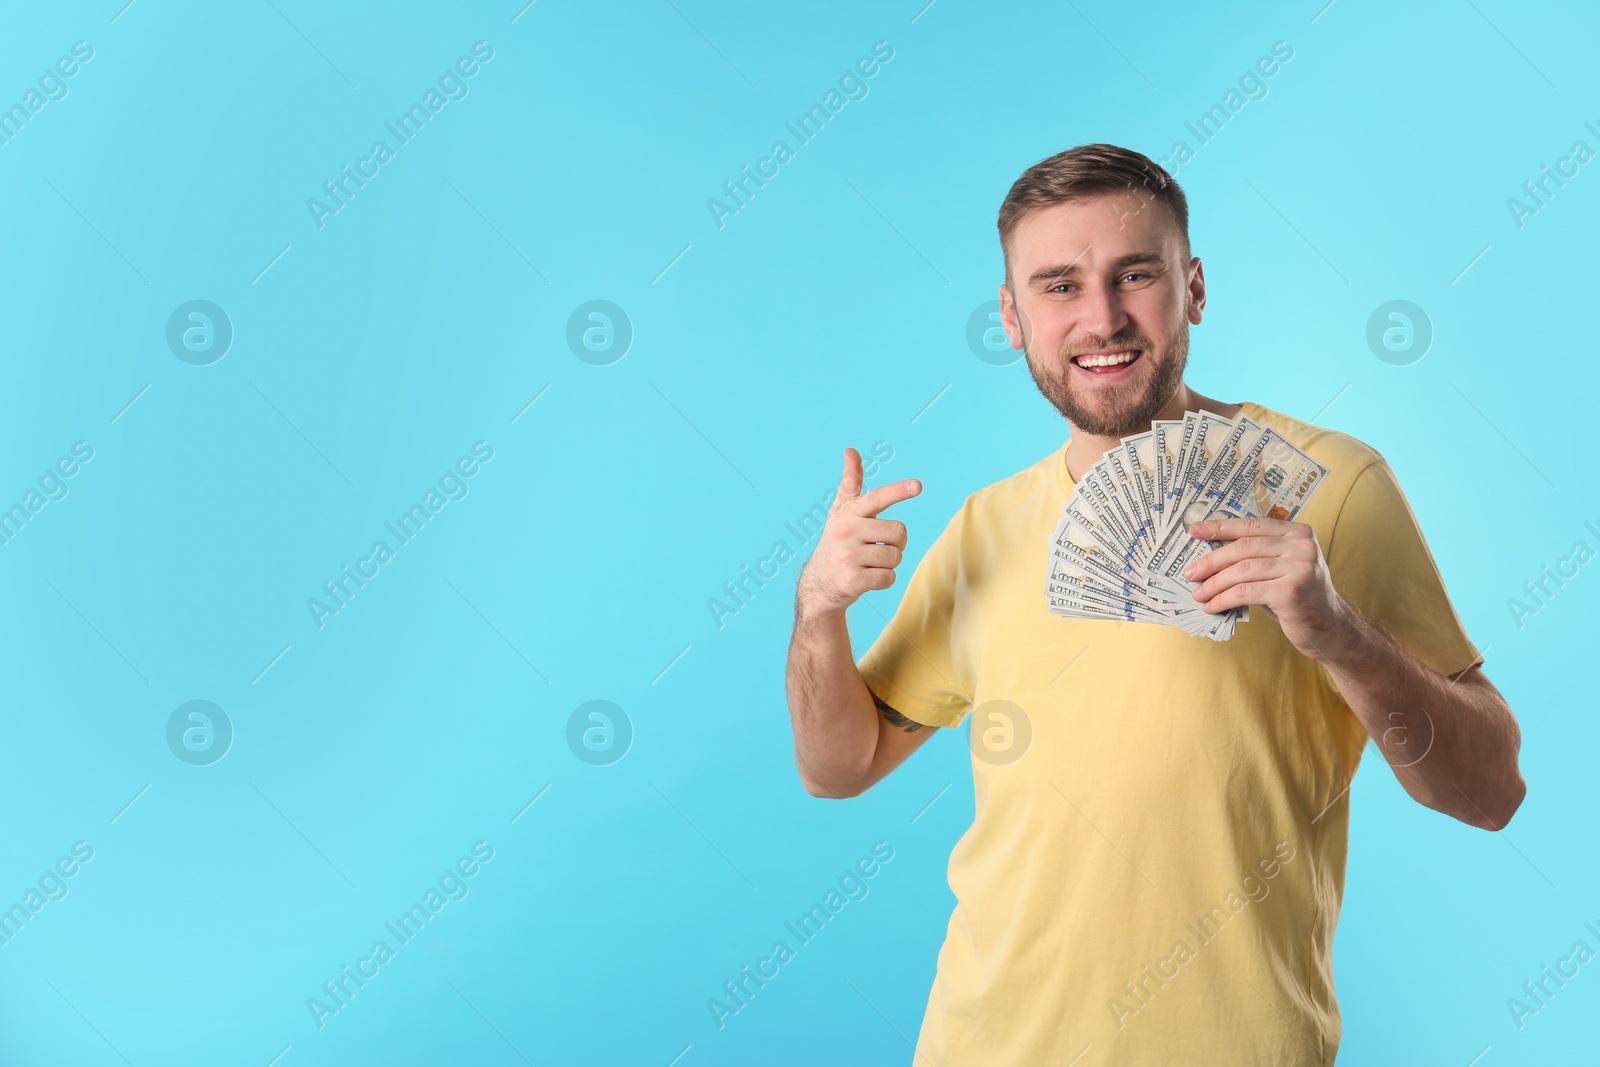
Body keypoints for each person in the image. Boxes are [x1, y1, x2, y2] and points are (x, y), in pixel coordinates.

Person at [784, 143, 1525, 1065]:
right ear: (1012, 319)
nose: (1102, 318)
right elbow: (837, 765)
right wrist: (819, 611)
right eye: (1058, 286)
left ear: (1195, 288)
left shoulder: (1330, 490)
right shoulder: (985, 528)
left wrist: (1340, 635)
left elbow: (1491, 792)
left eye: (1135, 274)